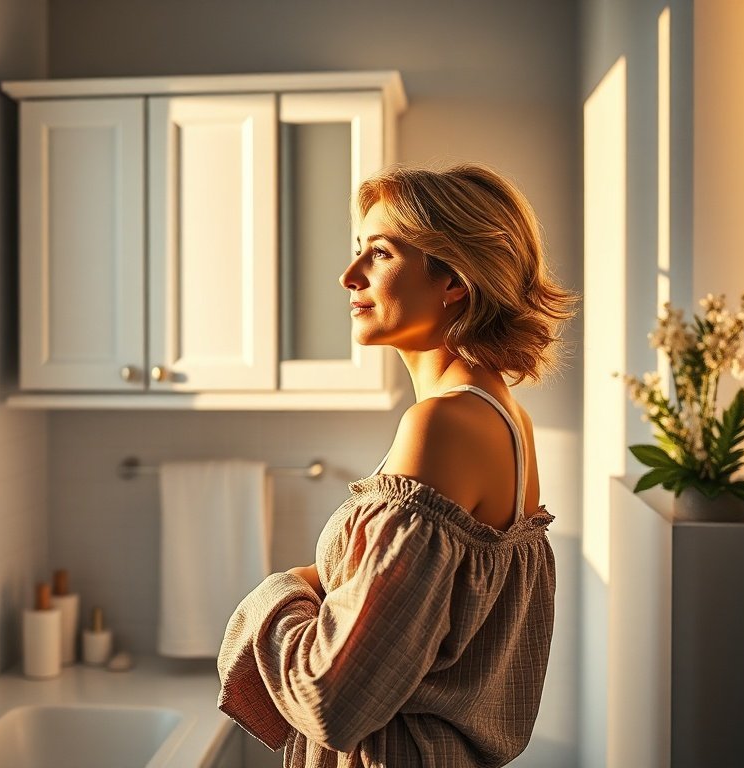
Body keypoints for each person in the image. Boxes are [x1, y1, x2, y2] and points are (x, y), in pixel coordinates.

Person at [216, 163, 577, 767]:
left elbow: (334, 701)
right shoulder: (505, 419)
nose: (348, 275)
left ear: (455, 280)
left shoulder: (442, 427)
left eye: (379, 254)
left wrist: (280, 588)